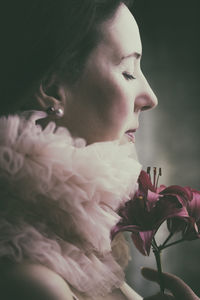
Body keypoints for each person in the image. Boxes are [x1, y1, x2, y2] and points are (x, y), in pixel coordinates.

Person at [0, 1, 198, 299]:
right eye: (129, 71)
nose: (150, 97)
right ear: (52, 89)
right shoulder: (37, 283)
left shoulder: (84, 250)